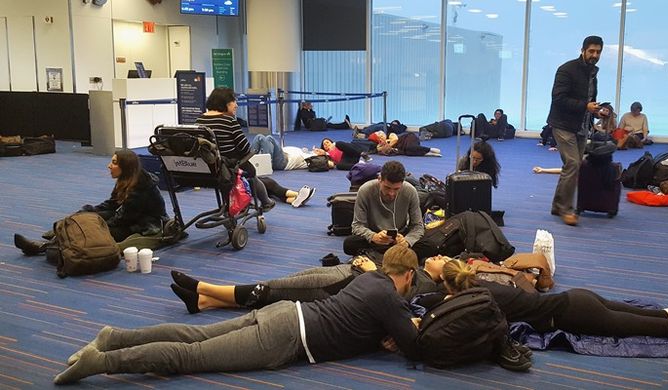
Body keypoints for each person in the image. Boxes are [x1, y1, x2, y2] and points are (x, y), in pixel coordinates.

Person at [53, 245, 421, 385]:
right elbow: (415, 346)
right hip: (285, 337)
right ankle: (101, 361)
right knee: (189, 356)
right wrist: (405, 329)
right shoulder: (389, 297)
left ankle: (114, 336)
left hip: (285, 314)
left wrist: (385, 333)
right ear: (406, 276)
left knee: (192, 337)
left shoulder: (370, 276)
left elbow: (372, 323)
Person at [429, 259, 668, 343]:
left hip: (574, 314)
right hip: (578, 297)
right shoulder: (485, 279)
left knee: (660, 328)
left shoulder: (476, 299)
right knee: (655, 314)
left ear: (449, 286)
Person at [13, 149, 168, 255]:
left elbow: (125, 218)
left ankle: (44, 247)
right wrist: (89, 212)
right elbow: (112, 203)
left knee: (89, 232)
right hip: (127, 218)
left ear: (125, 167)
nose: (109, 166)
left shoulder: (140, 188)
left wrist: (94, 225)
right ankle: (61, 231)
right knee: (88, 216)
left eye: (114, 163)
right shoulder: (127, 179)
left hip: (142, 225)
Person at [167, 254, 445, 313]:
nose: (439, 255)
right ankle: (203, 302)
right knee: (279, 286)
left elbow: (394, 297)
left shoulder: (424, 285)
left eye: (443, 259)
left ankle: (202, 287)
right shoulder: (418, 268)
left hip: (341, 286)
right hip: (344, 272)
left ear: (443, 274)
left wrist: (372, 269)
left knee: (272, 288)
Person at [546, 35, 607, 226]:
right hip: (562, 125)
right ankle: (566, 209)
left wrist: (597, 112)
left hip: (581, 126)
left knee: (572, 166)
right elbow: (558, 98)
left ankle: (558, 205)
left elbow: (588, 101)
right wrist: (585, 106)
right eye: (591, 51)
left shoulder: (593, 73)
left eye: (598, 52)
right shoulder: (566, 69)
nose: (594, 55)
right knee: (572, 164)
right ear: (583, 50)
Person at [195, 87, 275, 211]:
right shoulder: (229, 121)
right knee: (251, 172)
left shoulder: (199, 121)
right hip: (227, 166)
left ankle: (231, 204)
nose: (236, 105)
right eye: (234, 101)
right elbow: (245, 148)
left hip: (207, 168)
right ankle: (266, 202)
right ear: (225, 103)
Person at [343, 161, 424, 260]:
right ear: (379, 179)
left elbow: (418, 226)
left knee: (430, 245)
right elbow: (357, 226)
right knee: (349, 243)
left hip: (400, 237)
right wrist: (373, 236)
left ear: (402, 183)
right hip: (375, 238)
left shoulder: (410, 191)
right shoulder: (365, 190)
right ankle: (397, 256)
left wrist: (406, 242)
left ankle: (379, 255)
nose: (391, 193)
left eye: (396, 189)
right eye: (387, 187)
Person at [369, 131, 442, 157]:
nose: (381, 133)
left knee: (411, 147)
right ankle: (427, 154)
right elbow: (379, 149)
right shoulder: (381, 144)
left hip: (409, 138)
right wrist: (381, 147)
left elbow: (395, 139)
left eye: (380, 132)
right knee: (408, 152)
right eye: (379, 134)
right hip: (404, 148)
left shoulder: (390, 135)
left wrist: (386, 146)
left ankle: (429, 149)